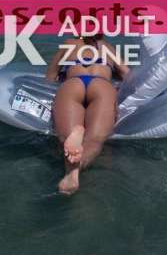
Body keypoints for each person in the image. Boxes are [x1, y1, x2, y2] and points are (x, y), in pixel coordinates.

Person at [46, 34, 130, 194]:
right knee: (95, 140)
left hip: (73, 83)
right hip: (101, 84)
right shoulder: (107, 46)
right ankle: (75, 168)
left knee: (63, 137)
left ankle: (75, 137)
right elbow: (127, 75)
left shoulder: (69, 43)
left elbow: (50, 77)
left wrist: (62, 76)